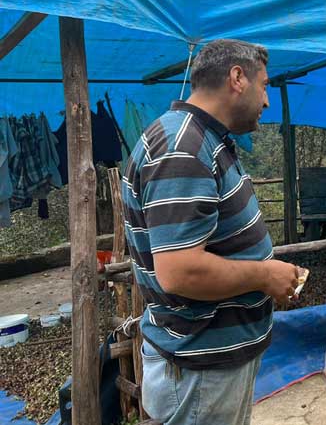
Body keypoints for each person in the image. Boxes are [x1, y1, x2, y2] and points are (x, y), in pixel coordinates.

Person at [122, 39, 302, 425]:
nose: (267, 101)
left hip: (207, 365)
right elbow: (180, 271)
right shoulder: (183, 149)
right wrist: (265, 274)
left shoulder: (202, 140)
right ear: (237, 78)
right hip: (198, 370)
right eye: (265, 85)